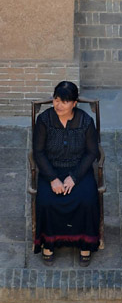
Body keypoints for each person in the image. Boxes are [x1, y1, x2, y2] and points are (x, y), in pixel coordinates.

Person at [33, 81, 100, 266]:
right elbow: (38, 152)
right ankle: (49, 243)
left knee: (86, 200)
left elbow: (92, 152)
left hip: (78, 169)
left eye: (64, 101)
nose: (58, 105)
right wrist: (53, 178)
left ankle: (85, 243)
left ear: (74, 103)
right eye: (56, 100)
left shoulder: (86, 121)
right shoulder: (44, 120)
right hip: (51, 169)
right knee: (47, 201)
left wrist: (75, 177)